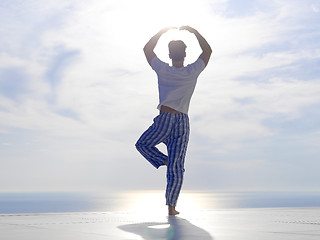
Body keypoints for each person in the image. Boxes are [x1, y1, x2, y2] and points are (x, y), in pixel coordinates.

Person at [135, 26, 212, 215]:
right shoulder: (192, 71)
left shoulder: (163, 69)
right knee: (177, 168)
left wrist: (162, 32)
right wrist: (193, 32)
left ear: (169, 55)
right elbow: (208, 51)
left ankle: (165, 160)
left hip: (165, 119)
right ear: (185, 55)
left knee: (143, 144)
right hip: (182, 123)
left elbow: (147, 49)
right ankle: (171, 207)